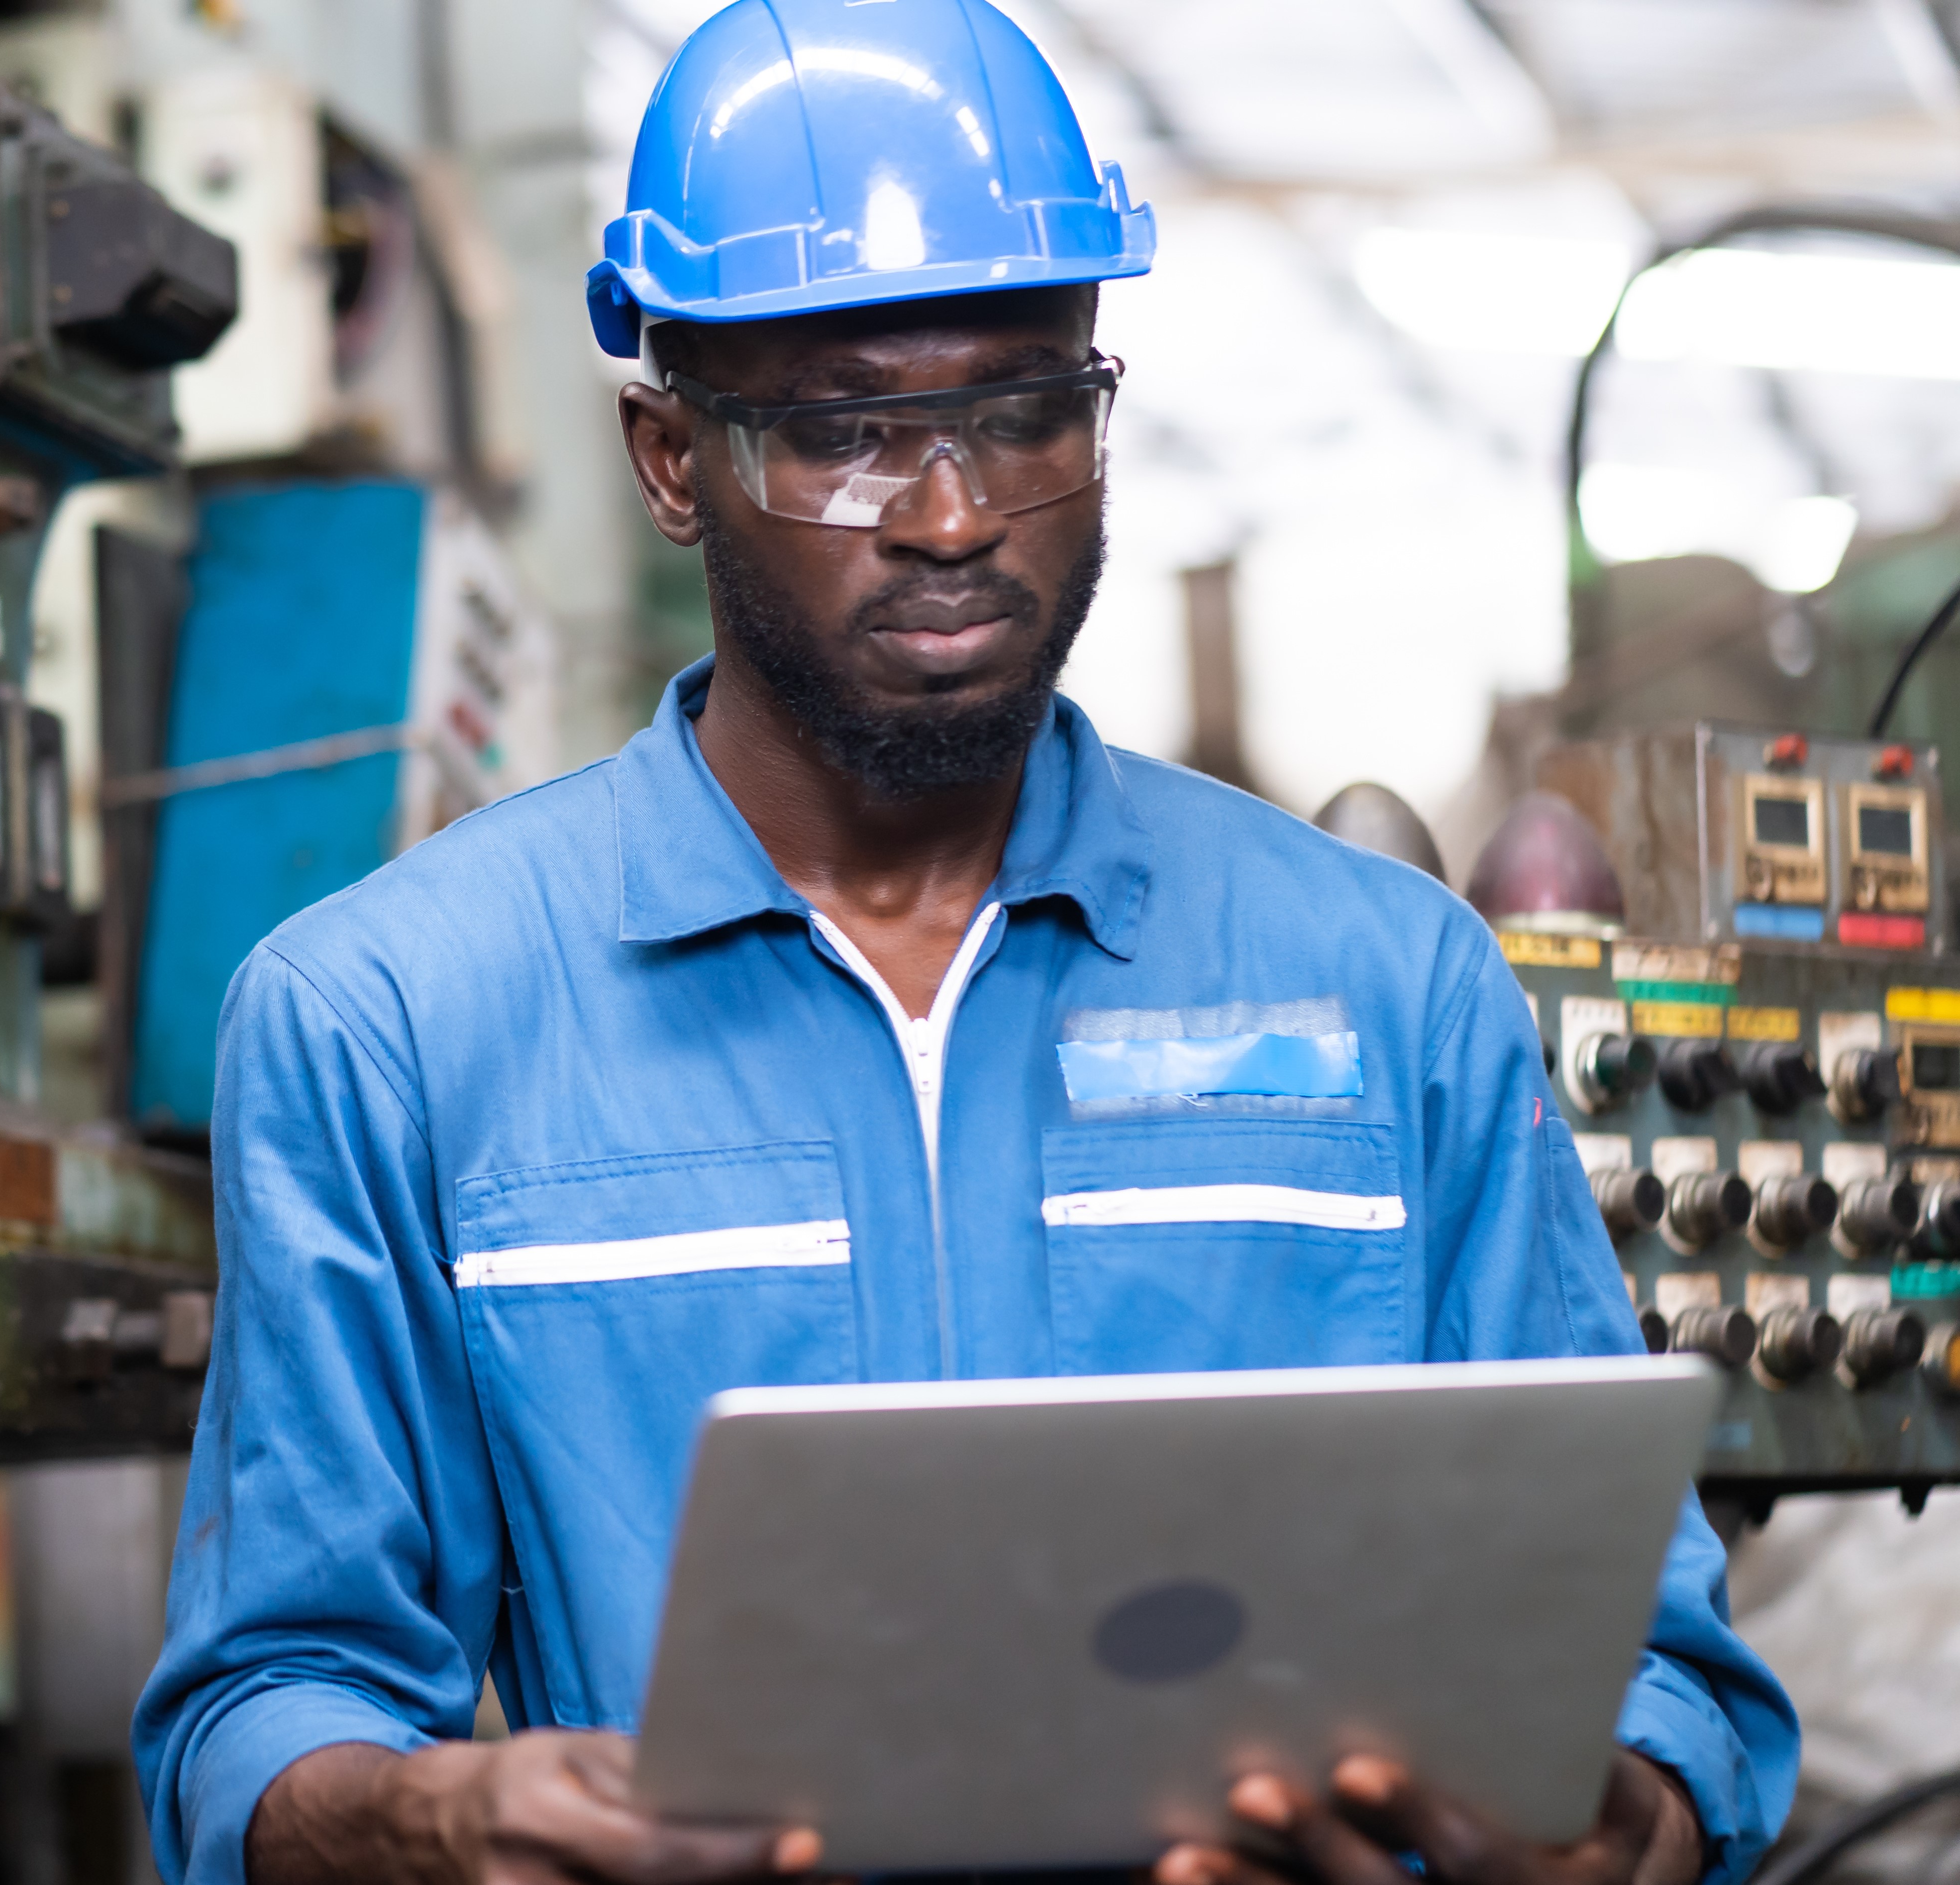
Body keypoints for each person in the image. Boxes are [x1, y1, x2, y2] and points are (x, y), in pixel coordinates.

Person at [134, 3, 1798, 1881]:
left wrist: (1613, 1828)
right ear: (670, 457)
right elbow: (264, 1703)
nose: (949, 519)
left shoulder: (1387, 983)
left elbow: (1658, 1676)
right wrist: (426, 1819)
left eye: (1020, 416)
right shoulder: (396, 1020)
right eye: (843, 434)